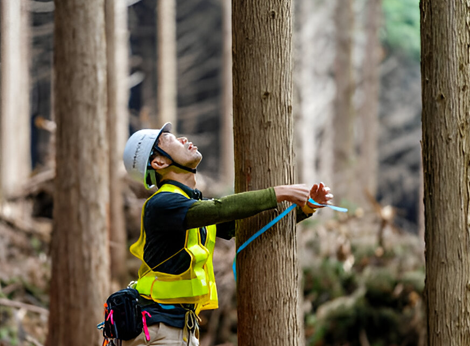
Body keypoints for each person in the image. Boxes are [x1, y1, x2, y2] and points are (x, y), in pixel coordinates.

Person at [121, 122, 333, 345]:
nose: (183, 138)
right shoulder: (162, 204)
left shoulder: (189, 204)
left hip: (176, 327)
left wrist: (305, 208)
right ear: (159, 162)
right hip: (158, 328)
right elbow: (219, 209)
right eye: (171, 139)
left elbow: (243, 226)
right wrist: (280, 193)